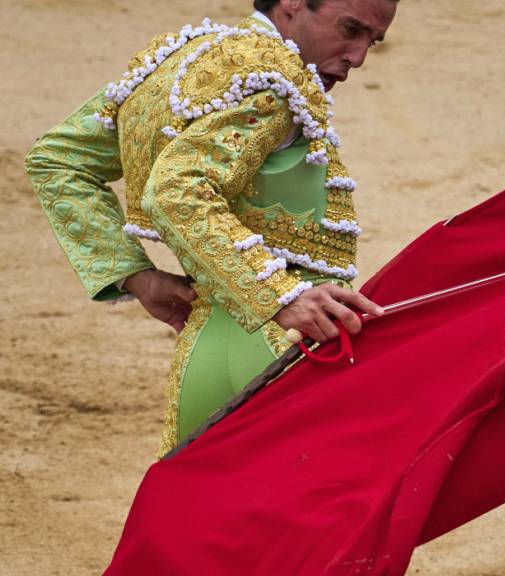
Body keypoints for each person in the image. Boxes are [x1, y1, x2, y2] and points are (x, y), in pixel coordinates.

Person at [25, 0, 398, 456]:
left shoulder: (180, 56)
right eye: (350, 29)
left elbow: (58, 160)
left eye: (371, 42)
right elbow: (178, 190)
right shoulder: (273, 80)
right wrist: (281, 297)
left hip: (219, 343)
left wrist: (137, 277)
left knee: (214, 517)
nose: (357, 57)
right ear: (291, 3)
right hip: (277, 351)